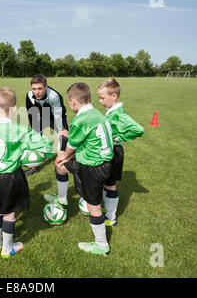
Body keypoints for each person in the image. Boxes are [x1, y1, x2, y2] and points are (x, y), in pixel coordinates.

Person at [0, 87, 54, 258]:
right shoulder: (20, 130)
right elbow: (46, 146)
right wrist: (41, 157)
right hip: (10, 177)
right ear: (13, 108)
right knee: (10, 212)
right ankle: (7, 248)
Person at [55, 82, 113, 256]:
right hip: (103, 163)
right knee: (61, 168)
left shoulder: (81, 119)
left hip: (92, 167)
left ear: (73, 102)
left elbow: (71, 147)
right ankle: (62, 199)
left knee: (93, 207)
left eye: (68, 102)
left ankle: (102, 245)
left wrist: (63, 155)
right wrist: (65, 160)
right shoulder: (96, 113)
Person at [96, 78, 144, 226]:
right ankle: (106, 207)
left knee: (110, 184)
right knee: (105, 182)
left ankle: (111, 217)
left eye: (102, 98)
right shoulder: (111, 111)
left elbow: (138, 129)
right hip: (107, 151)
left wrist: (118, 137)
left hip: (115, 153)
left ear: (114, 96)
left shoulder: (118, 113)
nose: (100, 101)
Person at [26, 74, 70, 206]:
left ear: (46, 86)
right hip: (40, 115)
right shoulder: (29, 95)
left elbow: (58, 114)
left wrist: (61, 129)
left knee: (63, 136)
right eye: (34, 89)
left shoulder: (54, 96)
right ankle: (34, 166)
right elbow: (31, 113)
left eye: (40, 88)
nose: (36, 92)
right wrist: (36, 133)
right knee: (34, 138)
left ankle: (62, 161)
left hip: (56, 115)